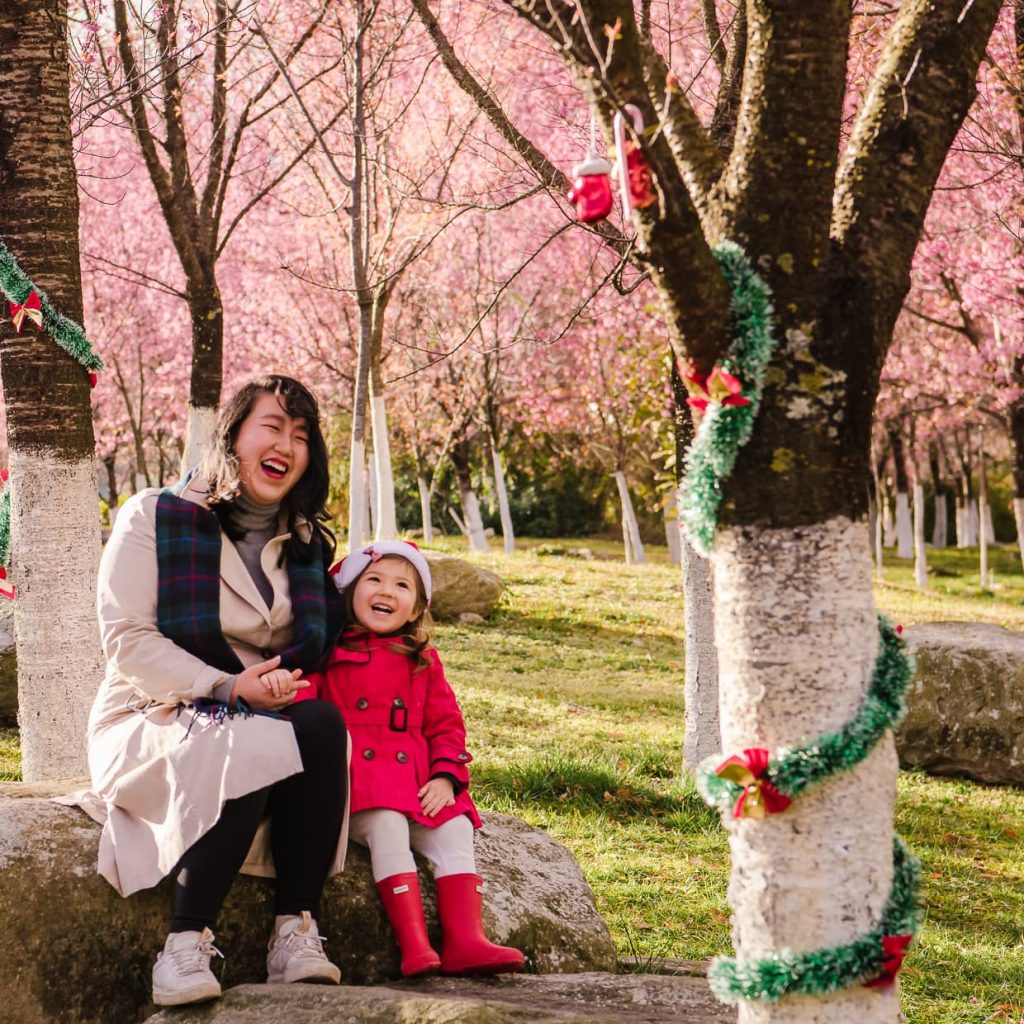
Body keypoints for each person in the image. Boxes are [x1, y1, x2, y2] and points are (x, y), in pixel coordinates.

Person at [74, 376, 349, 1007]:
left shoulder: (304, 544)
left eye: (302, 436)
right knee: (250, 738)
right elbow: (128, 642)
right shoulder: (154, 514)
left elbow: (328, 638)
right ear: (234, 435)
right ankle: (183, 946)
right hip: (155, 707)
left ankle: (295, 932)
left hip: (263, 709)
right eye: (273, 427)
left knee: (322, 727)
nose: (288, 444)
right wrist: (226, 686)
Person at [291, 540, 525, 977]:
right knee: (387, 825)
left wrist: (446, 778)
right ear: (349, 591)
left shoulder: (422, 660)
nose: (387, 591)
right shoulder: (328, 654)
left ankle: (466, 940)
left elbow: (446, 725)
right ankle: (414, 945)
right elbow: (306, 712)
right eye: (374, 580)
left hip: (417, 782)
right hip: (360, 784)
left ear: (418, 607)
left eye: (402, 585)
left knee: (454, 827)